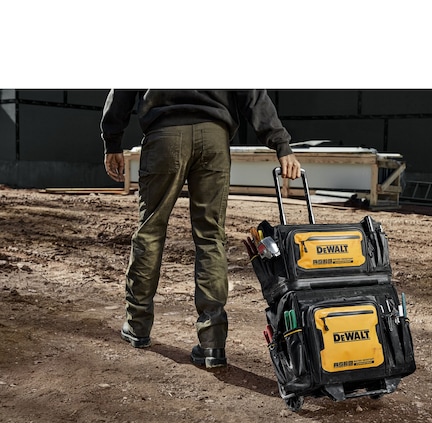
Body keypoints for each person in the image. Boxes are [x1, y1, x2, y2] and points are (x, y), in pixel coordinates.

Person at [100, 89, 301, 368]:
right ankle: (212, 344)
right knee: (210, 237)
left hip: (164, 135)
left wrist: (112, 141)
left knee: (150, 231)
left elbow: (122, 90)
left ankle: (137, 326)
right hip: (213, 137)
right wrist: (281, 145)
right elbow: (252, 93)